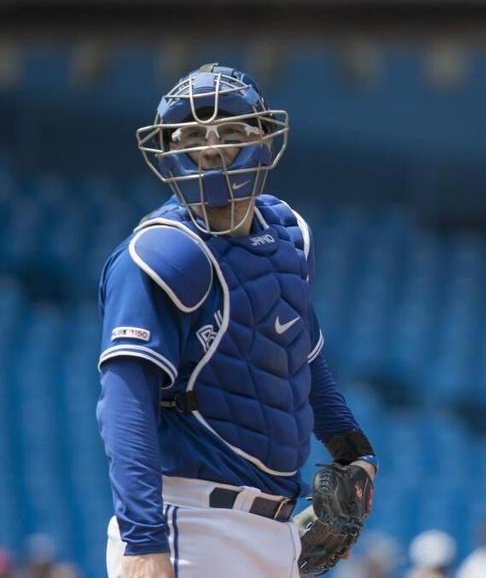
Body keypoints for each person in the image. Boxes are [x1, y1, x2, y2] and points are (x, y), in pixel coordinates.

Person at [96, 64, 377, 577]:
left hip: (277, 530)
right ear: (166, 152)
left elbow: (302, 354)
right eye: (189, 136)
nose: (209, 149)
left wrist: (352, 449)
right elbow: (124, 404)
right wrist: (143, 542)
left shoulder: (288, 237)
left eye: (229, 132)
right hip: (189, 524)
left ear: (266, 141)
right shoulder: (162, 252)